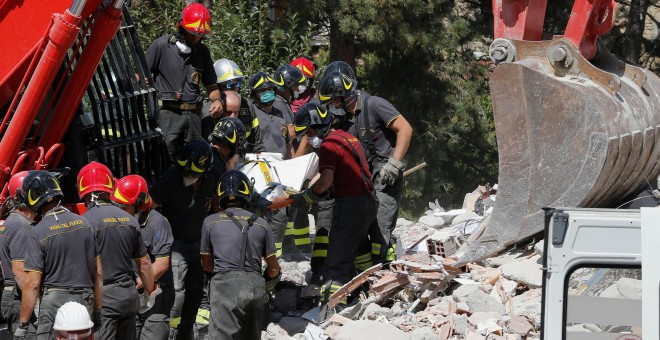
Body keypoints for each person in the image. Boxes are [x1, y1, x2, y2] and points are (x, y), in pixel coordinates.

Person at [319, 69, 413, 265]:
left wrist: (394, 162)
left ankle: (380, 269)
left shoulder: (375, 104)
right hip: (364, 175)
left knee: (380, 223)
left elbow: (405, 128)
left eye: (335, 100)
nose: (333, 105)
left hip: (386, 172)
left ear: (346, 96)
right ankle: (367, 269)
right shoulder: (346, 119)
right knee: (364, 225)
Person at [290, 103, 378, 311]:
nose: (309, 137)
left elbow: (325, 181)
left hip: (350, 205)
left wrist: (307, 197)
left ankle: (332, 309)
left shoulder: (329, 145)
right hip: (368, 201)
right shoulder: (348, 137)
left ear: (318, 126)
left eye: (310, 131)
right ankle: (372, 289)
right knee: (361, 249)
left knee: (336, 262)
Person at [15, 171, 103, 340]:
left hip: (55, 302)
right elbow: (98, 272)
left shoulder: (38, 232)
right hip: (85, 299)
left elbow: (32, 284)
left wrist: (23, 324)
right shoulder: (85, 224)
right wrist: (97, 310)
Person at [149, 140, 219, 340]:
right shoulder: (171, 177)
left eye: (193, 174)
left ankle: (189, 331)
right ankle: (171, 333)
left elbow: (217, 205)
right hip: (176, 244)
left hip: (200, 243)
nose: (188, 177)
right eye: (185, 173)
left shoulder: (213, 175)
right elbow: (150, 206)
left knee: (198, 290)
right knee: (176, 293)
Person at [78, 162, 155, 340]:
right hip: (129, 296)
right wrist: (150, 293)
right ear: (110, 188)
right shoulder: (130, 219)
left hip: (103, 300)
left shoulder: (84, 223)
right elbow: (143, 263)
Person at [200, 170, 280, 339]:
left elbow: (206, 265)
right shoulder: (262, 224)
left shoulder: (210, 222)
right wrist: (267, 282)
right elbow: (273, 270)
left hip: (225, 286)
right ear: (247, 194)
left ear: (220, 194)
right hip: (256, 287)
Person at [145, 3, 222, 160]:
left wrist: (218, 100)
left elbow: (211, 85)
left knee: (194, 157)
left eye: (200, 35)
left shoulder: (202, 52)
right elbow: (142, 76)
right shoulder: (161, 46)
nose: (196, 38)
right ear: (180, 27)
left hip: (193, 116)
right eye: (192, 33)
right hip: (167, 114)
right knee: (165, 157)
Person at [194, 117, 247, 338]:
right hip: (207, 226)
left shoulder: (207, 154)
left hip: (193, 223)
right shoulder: (217, 166)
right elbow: (218, 205)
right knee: (211, 276)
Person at [110, 175, 174, 340]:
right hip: (130, 294)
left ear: (139, 205)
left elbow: (161, 264)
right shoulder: (121, 222)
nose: (119, 210)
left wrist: (136, 285)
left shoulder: (158, 224)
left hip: (154, 293)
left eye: (124, 206)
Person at [0, 171, 37, 337]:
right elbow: (21, 273)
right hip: (19, 297)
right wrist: (36, 305)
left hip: (13, 295)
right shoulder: (22, 227)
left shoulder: (10, 222)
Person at [201, 58, 264, 153]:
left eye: (237, 84)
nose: (234, 89)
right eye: (229, 85)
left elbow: (257, 143)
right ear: (217, 87)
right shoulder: (208, 112)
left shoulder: (247, 106)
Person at [272, 64, 307, 143]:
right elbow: (290, 133)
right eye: (295, 86)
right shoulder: (279, 103)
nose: (298, 90)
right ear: (288, 86)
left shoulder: (282, 101)